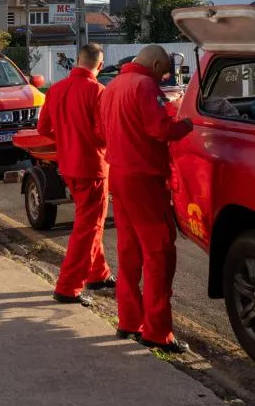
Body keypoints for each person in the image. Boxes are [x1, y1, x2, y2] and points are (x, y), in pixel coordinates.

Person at [99, 44, 194, 353]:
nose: (164, 78)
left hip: (120, 175)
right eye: (163, 72)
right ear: (154, 64)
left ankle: (128, 320)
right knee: (159, 254)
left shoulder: (113, 86)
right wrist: (187, 125)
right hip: (144, 179)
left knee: (129, 252)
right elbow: (159, 129)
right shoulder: (144, 85)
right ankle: (156, 331)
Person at [38, 43, 114, 307]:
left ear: (76, 61)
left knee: (90, 222)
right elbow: (105, 134)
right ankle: (68, 287)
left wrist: (67, 141)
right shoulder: (97, 92)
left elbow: (44, 127)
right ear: (100, 66)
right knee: (89, 227)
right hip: (92, 166)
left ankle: (98, 273)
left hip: (68, 165)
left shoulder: (56, 89)